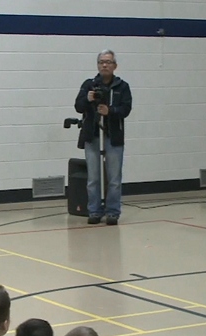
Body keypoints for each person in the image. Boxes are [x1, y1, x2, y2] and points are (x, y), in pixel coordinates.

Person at [75, 50, 132, 225]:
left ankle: (113, 212)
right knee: (93, 177)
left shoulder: (122, 86)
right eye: (101, 62)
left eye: (108, 62)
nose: (104, 65)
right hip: (92, 135)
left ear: (115, 65)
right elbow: (78, 106)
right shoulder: (88, 84)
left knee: (114, 177)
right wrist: (87, 99)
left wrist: (111, 111)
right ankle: (94, 210)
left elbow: (126, 109)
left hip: (113, 135)